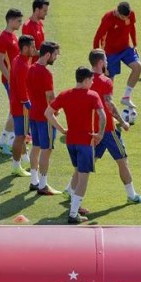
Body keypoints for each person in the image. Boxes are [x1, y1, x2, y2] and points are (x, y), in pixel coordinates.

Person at [80, 49, 141, 204]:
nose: (107, 62)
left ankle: (70, 190)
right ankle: (132, 195)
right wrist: (122, 122)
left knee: (89, 160)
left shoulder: (85, 80)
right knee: (122, 160)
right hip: (108, 130)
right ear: (100, 63)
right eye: (105, 59)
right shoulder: (105, 81)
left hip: (92, 129)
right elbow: (109, 104)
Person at [45, 67, 106, 224]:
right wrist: (100, 134)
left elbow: (48, 113)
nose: (92, 83)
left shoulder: (65, 94)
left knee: (78, 171)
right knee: (83, 178)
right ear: (86, 80)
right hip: (85, 142)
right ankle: (73, 214)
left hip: (70, 141)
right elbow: (102, 115)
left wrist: (61, 129)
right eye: (91, 80)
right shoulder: (92, 96)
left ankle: (75, 206)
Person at [27, 41, 61, 195]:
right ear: (47, 55)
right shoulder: (46, 73)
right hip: (45, 117)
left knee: (36, 147)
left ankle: (34, 181)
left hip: (33, 114)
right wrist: (56, 110)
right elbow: (50, 96)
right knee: (46, 150)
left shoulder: (31, 68)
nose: (55, 58)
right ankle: (43, 185)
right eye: (54, 55)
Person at [93, 1, 141, 108]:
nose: (126, 19)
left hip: (125, 48)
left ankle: (126, 97)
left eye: (127, 17)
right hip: (110, 53)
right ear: (118, 13)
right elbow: (97, 37)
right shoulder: (108, 19)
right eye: (123, 17)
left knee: (138, 67)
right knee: (109, 82)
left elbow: (132, 28)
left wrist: (135, 44)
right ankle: (109, 112)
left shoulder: (130, 14)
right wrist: (98, 59)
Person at [0, 8, 23, 155]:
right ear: (11, 20)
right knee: (15, 111)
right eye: (18, 21)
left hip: (16, 79)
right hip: (10, 80)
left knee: (13, 110)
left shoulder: (13, 36)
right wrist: (10, 80)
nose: (20, 24)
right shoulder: (2, 38)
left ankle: (3, 140)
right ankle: (8, 141)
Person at [9, 35, 36, 177]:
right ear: (25, 48)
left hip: (16, 104)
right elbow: (22, 88)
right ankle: (16, 166)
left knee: (21, 135)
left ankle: (20, 162)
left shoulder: (19, 60)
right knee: (21, 136)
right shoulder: (23, 65)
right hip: (21, 107)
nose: (35, 49)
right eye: (32, 47)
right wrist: (29, 104)